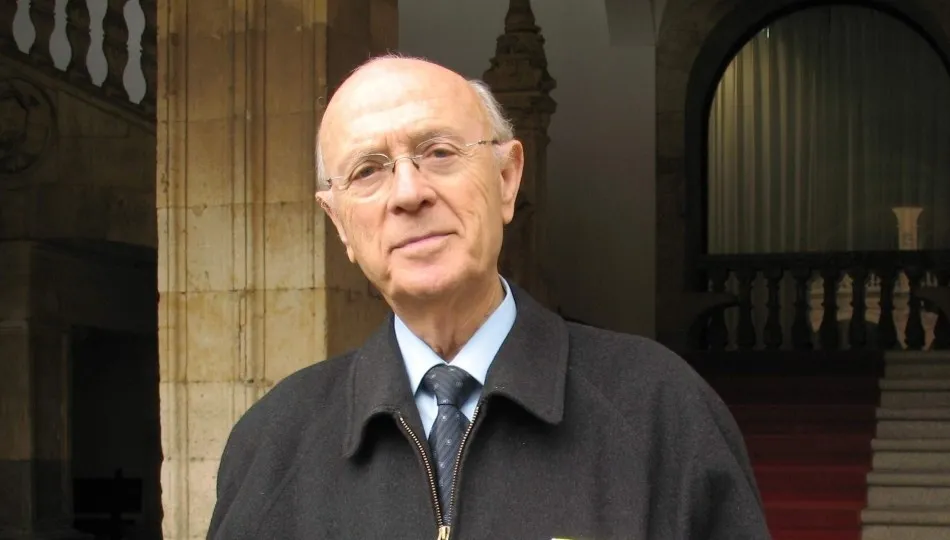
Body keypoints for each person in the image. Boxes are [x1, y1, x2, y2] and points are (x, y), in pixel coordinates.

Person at [207, 55, 770, 540]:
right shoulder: (274, 442)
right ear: (339, 223)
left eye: (439, 152)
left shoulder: (659, 410)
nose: (408, 192)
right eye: (367, 171)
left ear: (507, 178)